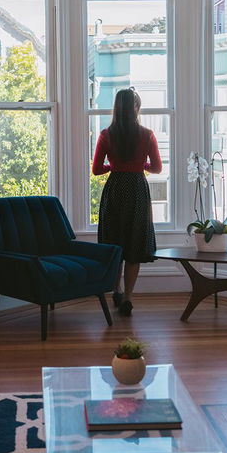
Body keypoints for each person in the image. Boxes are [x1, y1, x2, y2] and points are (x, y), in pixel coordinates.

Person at [92, 88, 162, 316]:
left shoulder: (106, 134)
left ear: (116, 109)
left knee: (115, 243)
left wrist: (115, 166)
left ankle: (117, 290)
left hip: (115, 190)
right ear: (136, 109)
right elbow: (157, 168)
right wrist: (140, 166)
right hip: (137, 191)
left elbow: (96, 170)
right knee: (134, 243)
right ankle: (129, 298)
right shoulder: (147, 134)